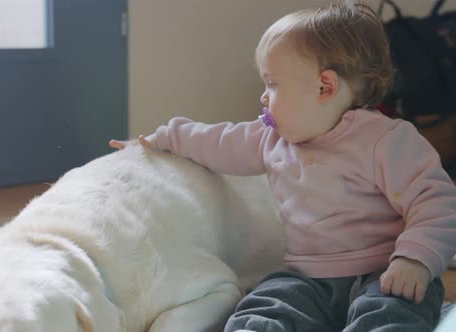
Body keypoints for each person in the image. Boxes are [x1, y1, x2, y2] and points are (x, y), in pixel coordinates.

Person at [109, 1, 456, 331]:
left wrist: (415, 259)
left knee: (394, 310)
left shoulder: (387, 141)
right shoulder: (269, 139)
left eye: (272, 84)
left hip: (384, 274)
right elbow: (214, 140)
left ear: (325, 86)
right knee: (267, 302)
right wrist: (160, 138)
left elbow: (436, 201)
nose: (263, 96)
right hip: (307, 280)